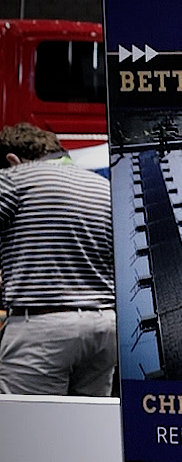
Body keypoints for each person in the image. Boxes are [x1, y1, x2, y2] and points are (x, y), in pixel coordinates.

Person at [0, 123, 116, 396]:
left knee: (28, 422)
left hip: (44, 329)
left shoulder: (15, 177)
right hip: (104, 329)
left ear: (12, 160)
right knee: (85, 422)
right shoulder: (102, 186)